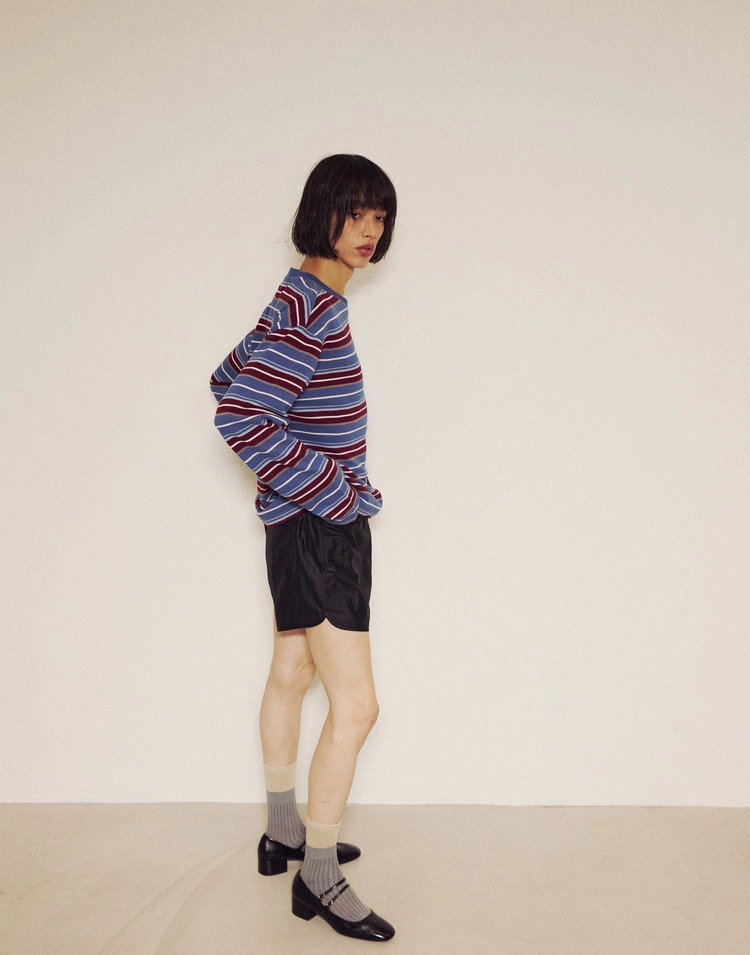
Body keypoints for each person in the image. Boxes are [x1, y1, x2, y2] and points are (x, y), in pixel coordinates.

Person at [210, 155, 397, 942]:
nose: (368, 229)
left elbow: (226, 379)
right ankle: (317, 876)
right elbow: (240, 414)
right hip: (319, 532)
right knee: (358, 706)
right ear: (321, 212)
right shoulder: (310, 309)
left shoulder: (298, 297)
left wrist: (308, 491)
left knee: (293, 672)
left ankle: (283, 830)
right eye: (354, 212)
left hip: (299, 529)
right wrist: (334, 491)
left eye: (379, 216)